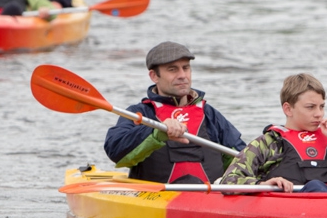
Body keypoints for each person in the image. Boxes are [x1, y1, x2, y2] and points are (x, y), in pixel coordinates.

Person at [104, 41, 246, 184]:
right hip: (157, 200)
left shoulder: (209, 115)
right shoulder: (140, 113)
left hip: (210, 200)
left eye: (186, 68)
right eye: (173, 69)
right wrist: (156, 132)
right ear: (154, 76)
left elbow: (243, 159)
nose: (182, 75)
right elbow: (115, 151)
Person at [220, 73, 327, 194]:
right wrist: (263, 184)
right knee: (315, 187)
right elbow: (229, 181)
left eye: (322, 106)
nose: (319, 114)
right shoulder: (269, 142)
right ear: (288, 109)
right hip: (295, 207)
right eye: (310, 107)